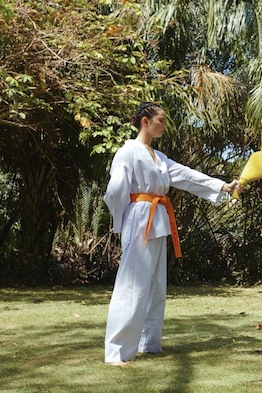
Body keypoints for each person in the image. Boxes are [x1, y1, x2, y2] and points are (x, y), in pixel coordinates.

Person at [103, 102, 239, 366]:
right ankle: (117, 351)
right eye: (161, 120)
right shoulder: (127, 152)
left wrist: (222, 186)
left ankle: (149, 343)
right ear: (145, 121)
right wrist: (122, 220)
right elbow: (115, 189)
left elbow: (187, 176)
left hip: (157, 218)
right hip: (140, 216)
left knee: (155, 285)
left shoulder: (159, 157)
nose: (164, 125)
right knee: (132, 285)